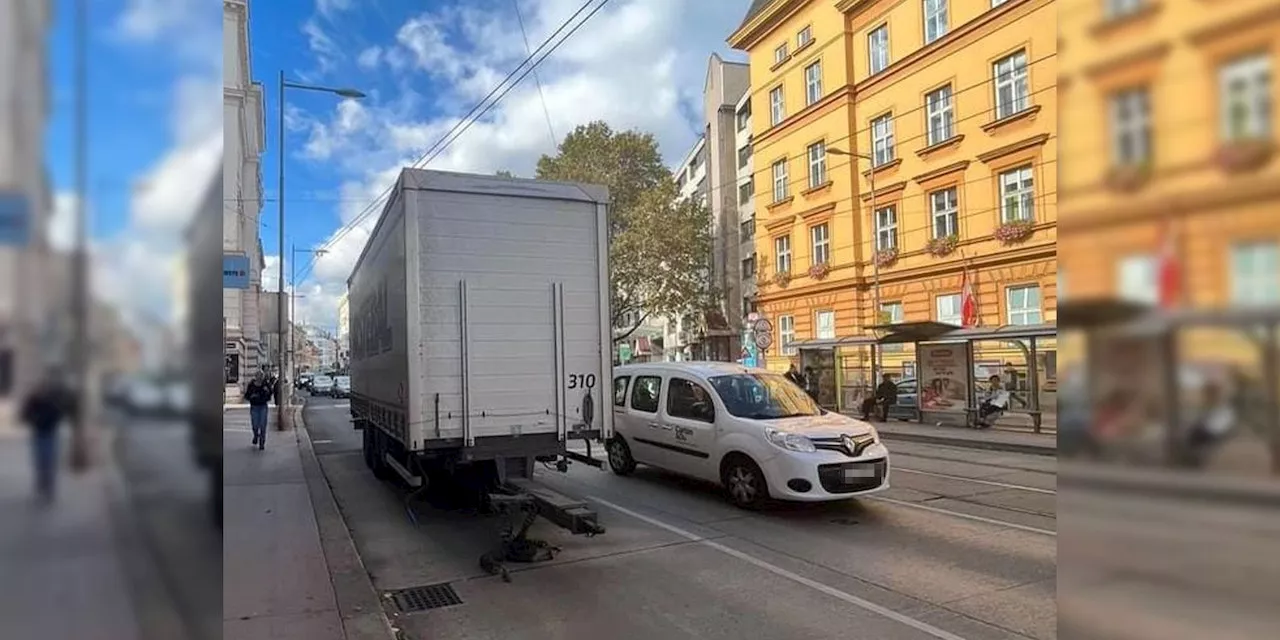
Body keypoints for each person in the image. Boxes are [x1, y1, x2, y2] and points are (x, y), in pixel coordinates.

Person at [20, 368, 78, 504]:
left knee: (49, 462)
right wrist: (34, 420)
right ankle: (42, 488)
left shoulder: (53, 398)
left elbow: (62, 411)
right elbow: (24, 414)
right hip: (39, 433)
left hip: (50, 433)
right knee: (41, 462)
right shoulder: (34, 398)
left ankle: (48, 490)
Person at [244, 370, 274, 450]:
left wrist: (267, 391)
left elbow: (271, 393)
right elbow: (246, 395)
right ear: (255, 376)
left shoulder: (266, 384)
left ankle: (262, 442)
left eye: (261, 375)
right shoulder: (251, 385)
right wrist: (251, 396)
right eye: (258, 375)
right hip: (254, 407)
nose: (260, 377)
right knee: (255, 425)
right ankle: (256, 435)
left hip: (263, 406)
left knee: (263, 425)